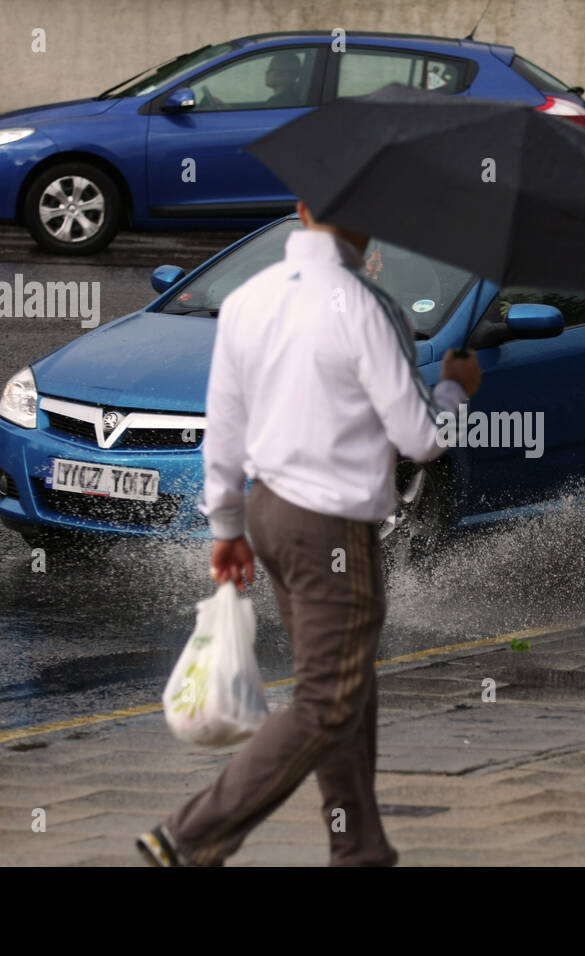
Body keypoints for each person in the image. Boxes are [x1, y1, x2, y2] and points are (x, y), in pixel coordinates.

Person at [136, 201, 481, 867]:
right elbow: (421, 437)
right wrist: (454, 390)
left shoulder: (248, 298)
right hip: (332, 529)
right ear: (368, 221)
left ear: (300, 210)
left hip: (269, 513)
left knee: (346, 687)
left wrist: (227, 526)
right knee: (329, 700)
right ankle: (189, 835)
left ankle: (360, 848)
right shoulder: (366, 307)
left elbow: (224, 424)